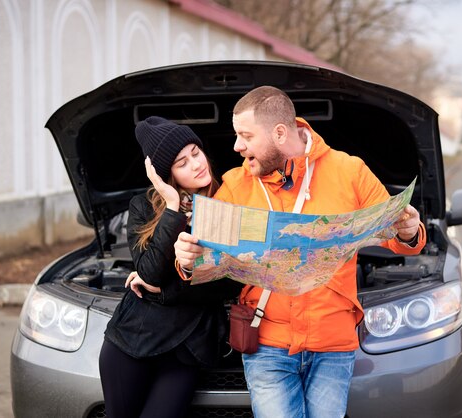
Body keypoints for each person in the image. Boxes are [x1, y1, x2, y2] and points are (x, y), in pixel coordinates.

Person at [173, 86, 427, 418]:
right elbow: (203, 259)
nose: (236, 146)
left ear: (279, 133)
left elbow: (395, 233)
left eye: (246, 136)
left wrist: (409, 232)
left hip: (333, 343)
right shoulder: (235, 184)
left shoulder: (350, 171)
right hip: (266, 342)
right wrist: (185, 259)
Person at [99, 116, 242, 418]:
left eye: (195, 152)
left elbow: (230, 284)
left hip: (186, 351)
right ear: (166, 175)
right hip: (131, 342)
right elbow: (149, 271)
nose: (195, 164)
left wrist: (162, 291)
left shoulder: (228, 204)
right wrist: (173, 206)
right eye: (181, 163)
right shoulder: (143, 207)